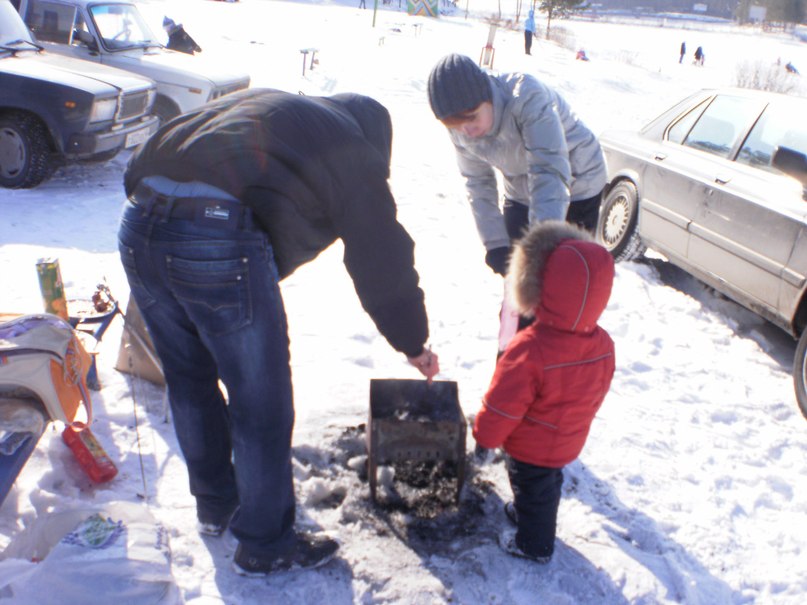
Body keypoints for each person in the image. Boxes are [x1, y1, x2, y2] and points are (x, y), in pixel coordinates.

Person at [118, 89, 440, 577]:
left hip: (138, 224)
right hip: (213, 233)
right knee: (260, 401)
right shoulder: (350, 146)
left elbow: (152, 164)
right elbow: (381, 254)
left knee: (189, 378)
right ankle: (266, 545)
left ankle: (216, 504)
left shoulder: (276, 112)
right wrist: (412, 341)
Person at [473, 220, 615, 563]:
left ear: (544, 285)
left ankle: (535, 544)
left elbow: (503, 406)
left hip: (531, 446)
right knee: (547, 483)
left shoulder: (530, 348)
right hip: (567, 437)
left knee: (533, 487)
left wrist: (485, 436)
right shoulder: (603, 343)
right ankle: (532, 512)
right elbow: (599, 387)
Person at [426, 53, 607, 280]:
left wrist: (540, 251)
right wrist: (496, 244)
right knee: (517, 272)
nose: (467, 131)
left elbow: (548, 170)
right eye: (456, 125)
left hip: (577, 178)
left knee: (563, 274)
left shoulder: (526, 97)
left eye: (472, 118)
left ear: (488, 98)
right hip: (521, 182)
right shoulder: (460, 128)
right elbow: (477, 182)